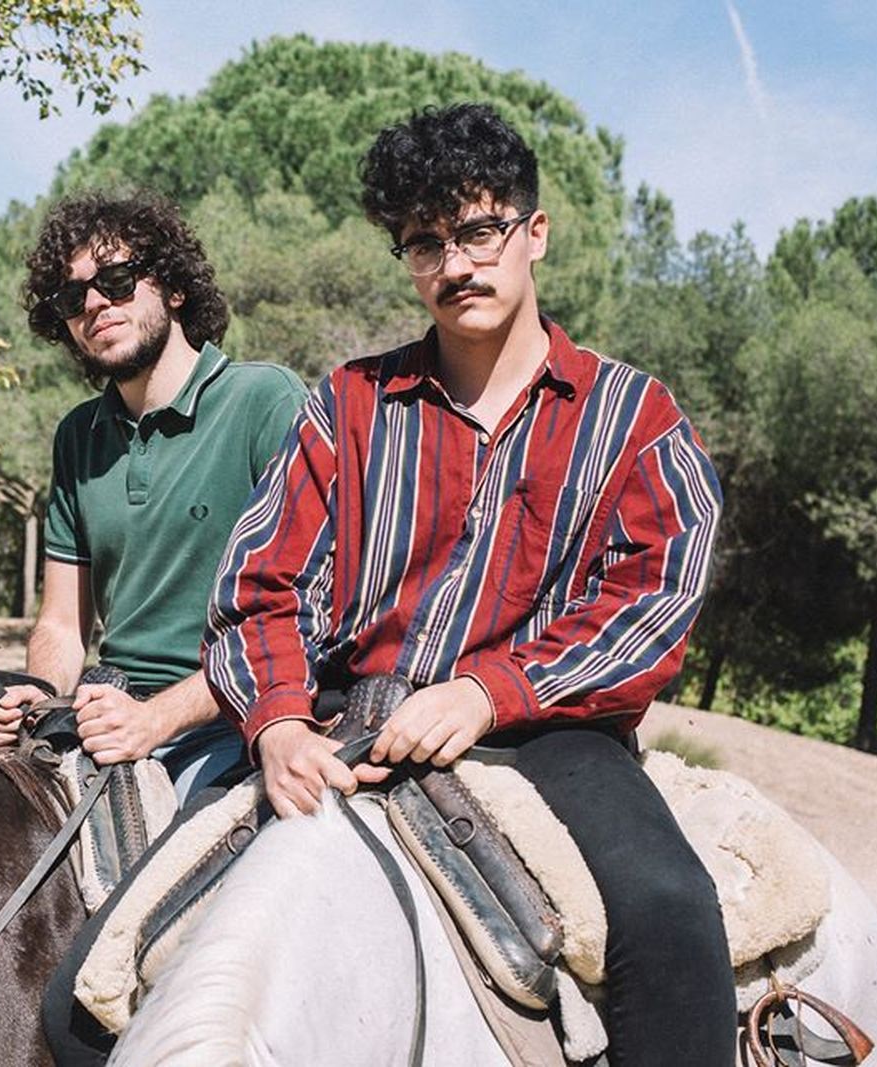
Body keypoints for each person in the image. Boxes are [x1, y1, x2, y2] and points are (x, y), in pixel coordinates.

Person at [204, 104, 733, 1063]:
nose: (455, 265)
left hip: (555, 736)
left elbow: (652, 602)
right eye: (425, 243)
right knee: (99, 975)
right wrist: (277, 721)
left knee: (670, 910)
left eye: (480, 231)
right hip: (347, 718)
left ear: (535, 234)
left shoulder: (634, 417)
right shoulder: (349, 403)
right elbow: (259, 585)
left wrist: (490, 690)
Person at [0, 190, 306, 805]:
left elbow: (310, 613)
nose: (95, 304)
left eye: (117, 280)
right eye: (72, 298)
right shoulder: (78, 435)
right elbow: (61, 624)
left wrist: (157, 719)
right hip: (107, 719)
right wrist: (40, 695)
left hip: (234, 724)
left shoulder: (263, 401)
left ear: (174, 288)